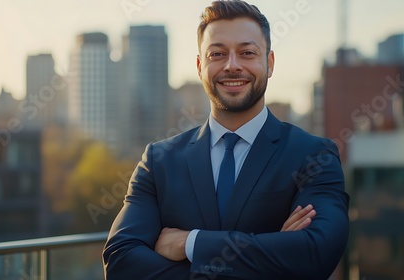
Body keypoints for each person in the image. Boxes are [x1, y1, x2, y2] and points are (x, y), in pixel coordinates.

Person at [103, 0, 349, 279]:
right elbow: (121, 262)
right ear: (199, 66)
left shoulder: (314, 156)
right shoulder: (158, 162)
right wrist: (273, 255)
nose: (232, 66)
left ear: (269, 63)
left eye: (247, 52)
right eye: (217, 54)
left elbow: (316, 253)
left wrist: (190, 243)